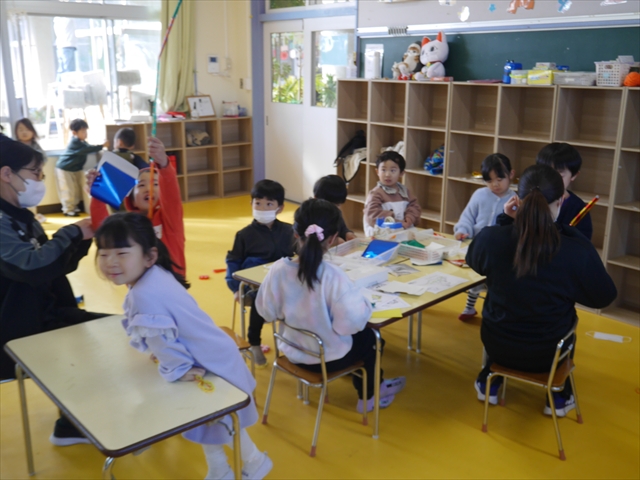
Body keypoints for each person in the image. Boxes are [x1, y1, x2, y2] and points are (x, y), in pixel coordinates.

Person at [95, 213, 272, 480]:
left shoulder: (143, 293)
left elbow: (162, 340)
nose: (111, 262)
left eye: (121, 253)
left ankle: (255, 461)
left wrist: (177, 369)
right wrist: (162, 353)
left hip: (209, 362)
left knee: (219, 419)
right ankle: (219, 469)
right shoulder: (155, 274)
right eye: (103, 253)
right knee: (209, 421)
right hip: (212, 353)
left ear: (149, 256)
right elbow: (163, 332)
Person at [466, 164, 616, 416]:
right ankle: (557, 396)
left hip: (497, 344)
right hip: (548, 353)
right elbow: (604, 296)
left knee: (502, 310)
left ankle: (489, 380)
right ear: (562, 201)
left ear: (517, 199)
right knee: (566, 320)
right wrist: (570, 235)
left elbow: (474, 261)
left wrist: (505, 221)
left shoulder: (492, 238)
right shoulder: (574, 250)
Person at [0, 135, 106, 445]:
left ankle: (73, 421)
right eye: (35, 173)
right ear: (6, 174)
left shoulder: (21, 218)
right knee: (107, 337)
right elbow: (32, 267)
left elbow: (53, 266)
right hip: (18, 330)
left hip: (45, 314)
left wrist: (81, 237)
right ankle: (75, 424)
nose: (40, 180)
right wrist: (72, 232)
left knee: (115, 330)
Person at [255, 198, 406, 413]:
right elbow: (350, 325)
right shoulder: (333, 276)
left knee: (364, 338)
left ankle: (373, 387)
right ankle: (370, 396)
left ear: (295, 233)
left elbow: (266, 312)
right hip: (326, 360)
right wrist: (363, 303)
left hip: (292, 352)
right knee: (372, 338)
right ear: (334, 238)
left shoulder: (278, 270)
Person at [87, 137, 186, 278]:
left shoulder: (170, 220)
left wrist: (164, 163)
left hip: (172, 285)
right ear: (132, 199)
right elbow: (103, 229)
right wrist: (98, 193)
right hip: (139, 286)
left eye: (155, 184)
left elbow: (171, 196)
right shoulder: (128, 225)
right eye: (141, 185)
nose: (149, 188)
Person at [225, 180, 294, 366]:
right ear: (251, 204)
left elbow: (296, 256)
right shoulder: (244, 234)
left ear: (280, 208)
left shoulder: (289, 231)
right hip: (254, 286)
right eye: (258, 203)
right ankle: (254, 342)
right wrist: (235, 288)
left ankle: (293, 340)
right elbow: (233, 262)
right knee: (260, 297)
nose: (263, 208)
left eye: (269, 204)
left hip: (284, 283)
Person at [454, 153, 516, 321]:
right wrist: (462, 230)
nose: (495, 184)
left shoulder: (515, 200)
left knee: (495, 285)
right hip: (478, 247)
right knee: (474, 279)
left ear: (511, 174)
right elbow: (467, 217)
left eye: (499, 179)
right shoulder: (480, 194)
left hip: (500, 252)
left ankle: (493, 312)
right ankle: (469, 307)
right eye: (489, 181)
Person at [536, 142, 593, 240]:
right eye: (546, 173)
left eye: (560, 175)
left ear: (574, 176)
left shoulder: (577, 207)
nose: (551, 179)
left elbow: (583, 242)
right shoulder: (532, 198)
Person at [56, 118, 108, 217]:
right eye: (83, 131)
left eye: (86, 131)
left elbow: (88, 148)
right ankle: (68, 210)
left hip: (75, 168)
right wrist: (101, 146)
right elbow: (87, 149)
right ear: (74, 133)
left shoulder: (82, 142)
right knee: (68, 190)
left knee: (75, 189)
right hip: (65, 168)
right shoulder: (75, 142)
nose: (85, 134)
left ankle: (73, 207)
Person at [363, 151, 421, 237]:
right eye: (383, 170)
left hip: (403, 233)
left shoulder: (405, 192)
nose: (387, 174)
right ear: (377, 171)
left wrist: (409, 218)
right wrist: (397, 222)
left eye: (393, 170)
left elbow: (414, 207)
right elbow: (372, 215)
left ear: (401, 173)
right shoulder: (375, 193)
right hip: (382, 236)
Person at [313, 174, 356, 243]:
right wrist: (333, 241)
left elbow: (342, 229)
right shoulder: (309, 215)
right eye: (330, 205)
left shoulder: (336, 213)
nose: (334, 209)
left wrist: (347, 233)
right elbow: (307, 241)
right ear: (316, 199)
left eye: (338, 205)